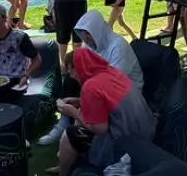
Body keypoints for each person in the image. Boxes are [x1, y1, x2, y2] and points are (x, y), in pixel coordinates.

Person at [46, 49, 156, 176]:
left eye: (69, 68)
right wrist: (80, 101)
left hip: (126, 143)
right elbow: (108, 100)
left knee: (69, 135)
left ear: (79, 66)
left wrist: (73, 112)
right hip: (145, 129)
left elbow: (100, 129)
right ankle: (65, 162)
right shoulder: (110, 72)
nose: (68, 73)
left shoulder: (90, 86)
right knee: (81, 113)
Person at [38, 8, 143, 146]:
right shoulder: (90, 44)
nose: (85, 37)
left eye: (88, 33)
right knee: (70, 78)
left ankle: (81, 127)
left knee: (85, 88)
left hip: (124, 92)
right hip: (100, 86)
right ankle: (64, 124)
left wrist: (84, 99)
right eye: (82, 33)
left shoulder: (118, 47)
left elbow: (113, 82)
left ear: (98, 30)